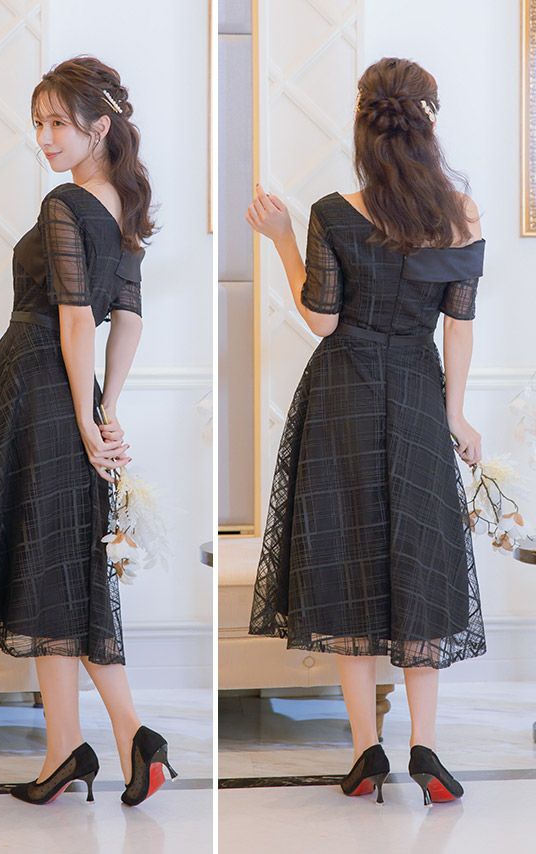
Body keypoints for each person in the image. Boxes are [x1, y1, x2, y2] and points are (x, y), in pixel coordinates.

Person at [0, 55, 177, 806]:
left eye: (59, 122)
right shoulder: (123, 206)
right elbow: (128, 317)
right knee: (54, 565)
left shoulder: (67, 202)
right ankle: (69, 748)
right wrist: (104, 408)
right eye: (38, 123)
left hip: (38, 384)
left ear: (100, 125)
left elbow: (76, 320)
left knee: (55, 564)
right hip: (72, 389)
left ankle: (128, 732)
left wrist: (86, 417)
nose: (45, 137)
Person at [245, 56, 486, 807]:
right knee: (420, 558)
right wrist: (455, 413)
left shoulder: (333, 212)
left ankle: (365, 752)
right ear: (428, 124)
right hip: (415, 391)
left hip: (343, 391)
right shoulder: (459, 213)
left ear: (364, 126)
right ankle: (426, 747)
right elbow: (459, 325)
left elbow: (321, 321)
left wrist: (282, 239)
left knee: (347, 561)